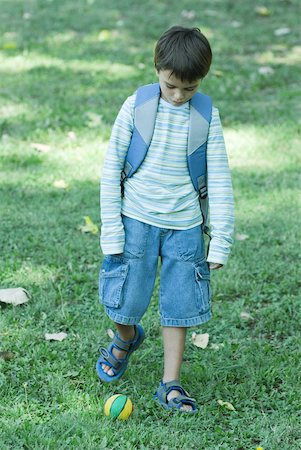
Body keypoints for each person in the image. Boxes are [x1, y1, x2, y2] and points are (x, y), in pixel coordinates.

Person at [96, 26, 234, 413]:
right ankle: (125, 338)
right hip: (135, 219)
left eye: (188, 89)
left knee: (179, 304)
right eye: (171, 85)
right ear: (157, 68)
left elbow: (220, 178)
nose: (178, 96)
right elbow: (111, 170)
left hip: (185, 227)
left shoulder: (206, 116)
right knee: (122, 299)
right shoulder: (136, 106)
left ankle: (170, 382)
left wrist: (220, 238)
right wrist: (112, 229)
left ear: (201, 81)